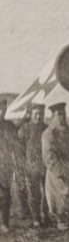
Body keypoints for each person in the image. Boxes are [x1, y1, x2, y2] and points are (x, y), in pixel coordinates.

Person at [42, 102, 69, 230]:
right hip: (57, 169)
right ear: (53, 116)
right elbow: (48, 154)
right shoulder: (48, 134)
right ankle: (60, 220)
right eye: (59, 115)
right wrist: (58, 170)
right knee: (59, 194)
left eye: (63, 114)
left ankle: (67, 217)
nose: (62, 117)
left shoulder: (68, 131)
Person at [18, 103, 50, 227]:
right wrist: (23, 164)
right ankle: (36, 218)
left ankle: (46, 215)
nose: (38, 116)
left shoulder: (47, 129)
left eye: (41, 114)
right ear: (30, 114)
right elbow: (20, 149)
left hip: (46, 165)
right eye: (36, 113)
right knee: (34, 193)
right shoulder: (24, 129)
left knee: (47, 192)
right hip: (31, 165)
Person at [0, 99, 20, 233]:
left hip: (5, 164)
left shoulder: (9, 126)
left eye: (4, 109)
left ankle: (4, 223)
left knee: (6, 195)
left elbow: (15, 142)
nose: (2, 111)